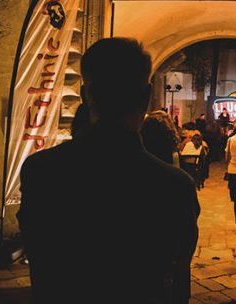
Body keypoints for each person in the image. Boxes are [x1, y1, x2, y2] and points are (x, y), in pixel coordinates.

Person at [18, 38, 200, 303]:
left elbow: (40, 262)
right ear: (147, 97)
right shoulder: (175, 185)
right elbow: (179, 279)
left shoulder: (40, 172)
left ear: (85, 95)